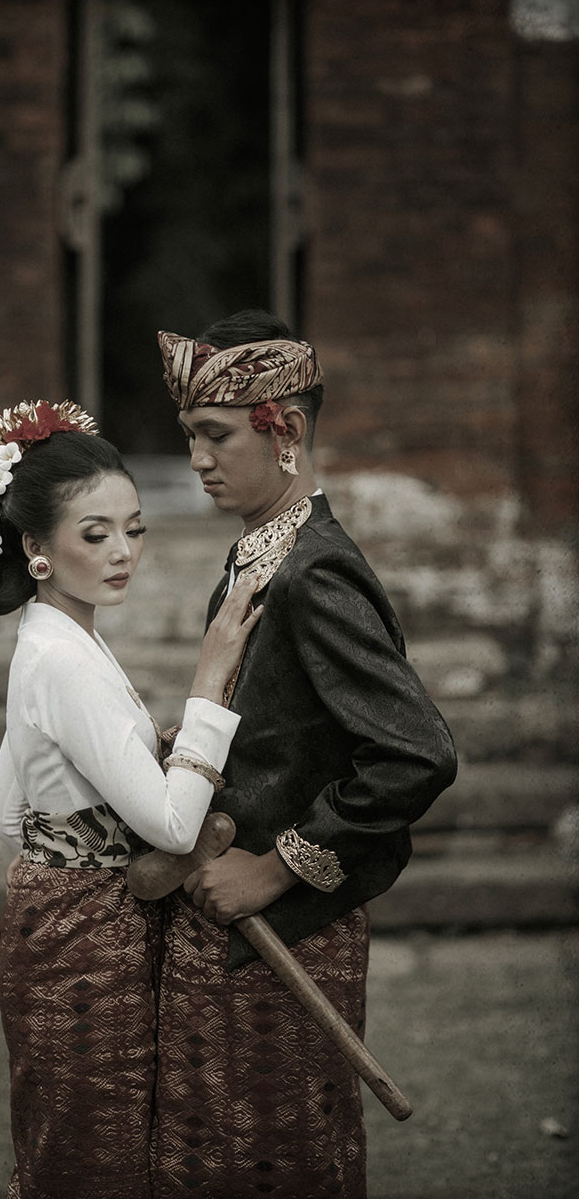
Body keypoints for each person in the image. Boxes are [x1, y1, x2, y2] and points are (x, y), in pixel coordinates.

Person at [152, 311, 458, 1199]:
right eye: (190, 437)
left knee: (275, 1158)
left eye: (215, 436)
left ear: (281, 428)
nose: (197, 460)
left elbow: (415, 752)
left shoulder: (313, 569)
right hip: (231, 925)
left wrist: (276, 868)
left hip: (283, 933)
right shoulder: (261, 553)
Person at [0, 398, 261, 1199]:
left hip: (52, 918)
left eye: (135, 529)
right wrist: (211, 678)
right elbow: (173, 823)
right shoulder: (64, 661)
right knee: (95, 1156)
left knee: (76, 1143)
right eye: (96, 535)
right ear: (36, 549)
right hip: (86, 940)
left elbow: (2, 810)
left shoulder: (50, 640)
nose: (124, 552)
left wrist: (72, 845)